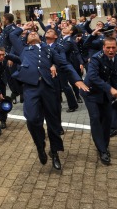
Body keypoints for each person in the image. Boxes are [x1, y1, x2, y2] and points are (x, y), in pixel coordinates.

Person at [11, 26, 89, 170]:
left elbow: (64, 63)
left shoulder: (48, 49)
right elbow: (12, 35)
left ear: (41, 38)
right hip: (31, 89)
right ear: (26, 40)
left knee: (53, 122)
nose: (32, 33)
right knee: (32, 119)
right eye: (30, 34)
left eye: (35, 32)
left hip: (49, 88)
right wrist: (24, 27)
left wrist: (77, 79)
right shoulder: (23, 49)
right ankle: (40, 145)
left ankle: (54, 152)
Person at [83, 37, 117, 165]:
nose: (111, 50)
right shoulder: (96, 58)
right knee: (95, 118)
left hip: (104, 93)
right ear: (103, 47)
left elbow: (114, 75)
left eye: (113, 47)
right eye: (108, 47)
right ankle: (102, 150)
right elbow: (92, 76)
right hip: (90, 92)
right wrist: (110, 88)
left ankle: (104, 145)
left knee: (107, 119)